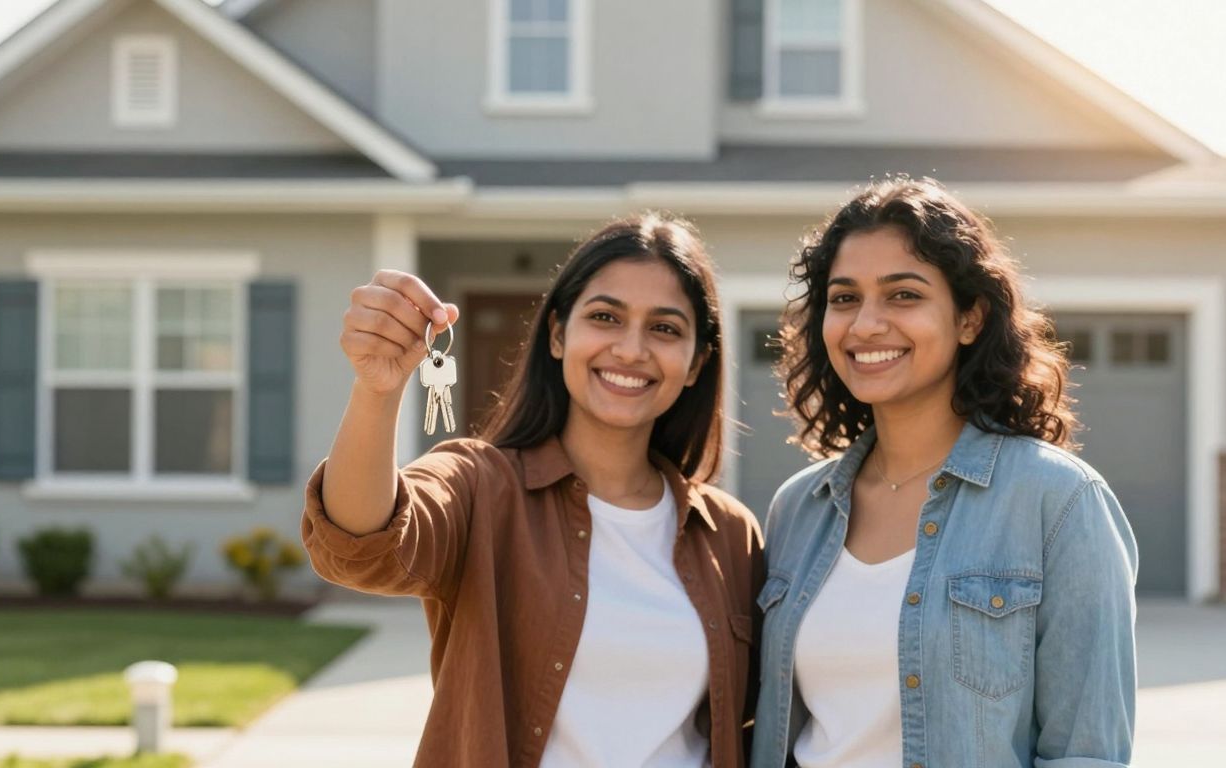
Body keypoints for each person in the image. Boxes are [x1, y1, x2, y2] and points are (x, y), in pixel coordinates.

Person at [301, 212, 765, 768]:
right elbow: (359, 542)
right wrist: (377, 389)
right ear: (558, 334)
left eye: (665, 328)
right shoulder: (481, 486)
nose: (631, 349)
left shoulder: (732, 535)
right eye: (605, 317)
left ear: (697, 363)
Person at [750, 179, 1138, 768]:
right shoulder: (798, 507)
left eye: (903, 295)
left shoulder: (1058, 502)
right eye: (845, 297)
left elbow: (1089, 753)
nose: (866, 325)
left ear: (970, 318)